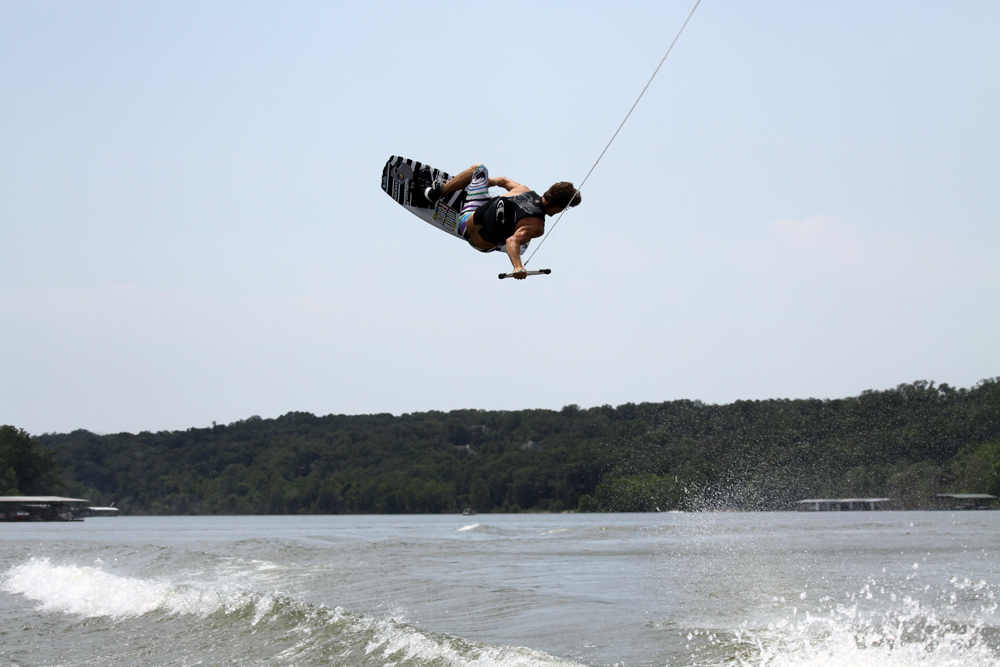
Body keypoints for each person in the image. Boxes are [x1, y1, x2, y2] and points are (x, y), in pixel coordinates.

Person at [424, 164, 581, 279]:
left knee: (479, 168)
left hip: (468, 217)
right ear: (560, 207)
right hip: (476, 241)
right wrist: (517, 267)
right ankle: (504, 231)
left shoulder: (523, 189)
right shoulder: (537, 225)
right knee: (517, 233)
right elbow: (512, 240)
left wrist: (486, 183)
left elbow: (502, 180)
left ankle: (437, 192)